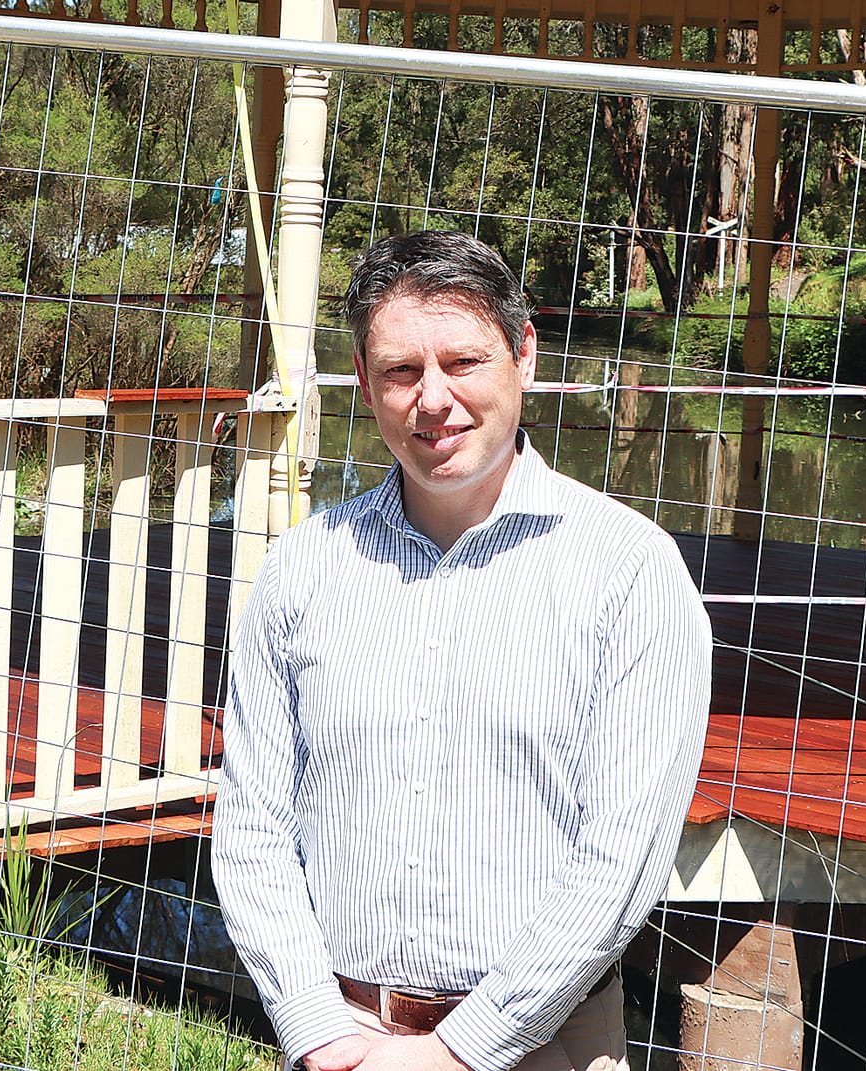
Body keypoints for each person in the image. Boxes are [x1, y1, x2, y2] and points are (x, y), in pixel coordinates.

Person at [213, 230, 711, 1071]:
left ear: (524, 353)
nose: (432, 399)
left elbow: (622, 855)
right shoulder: (303, 568)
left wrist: (459, 1049)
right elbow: (253, 823)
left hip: (543, 1043)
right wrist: (313, 1024)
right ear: (367, 382)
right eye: (403, 371)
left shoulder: (629, 572)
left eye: (464, 361)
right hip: (338, 1042)